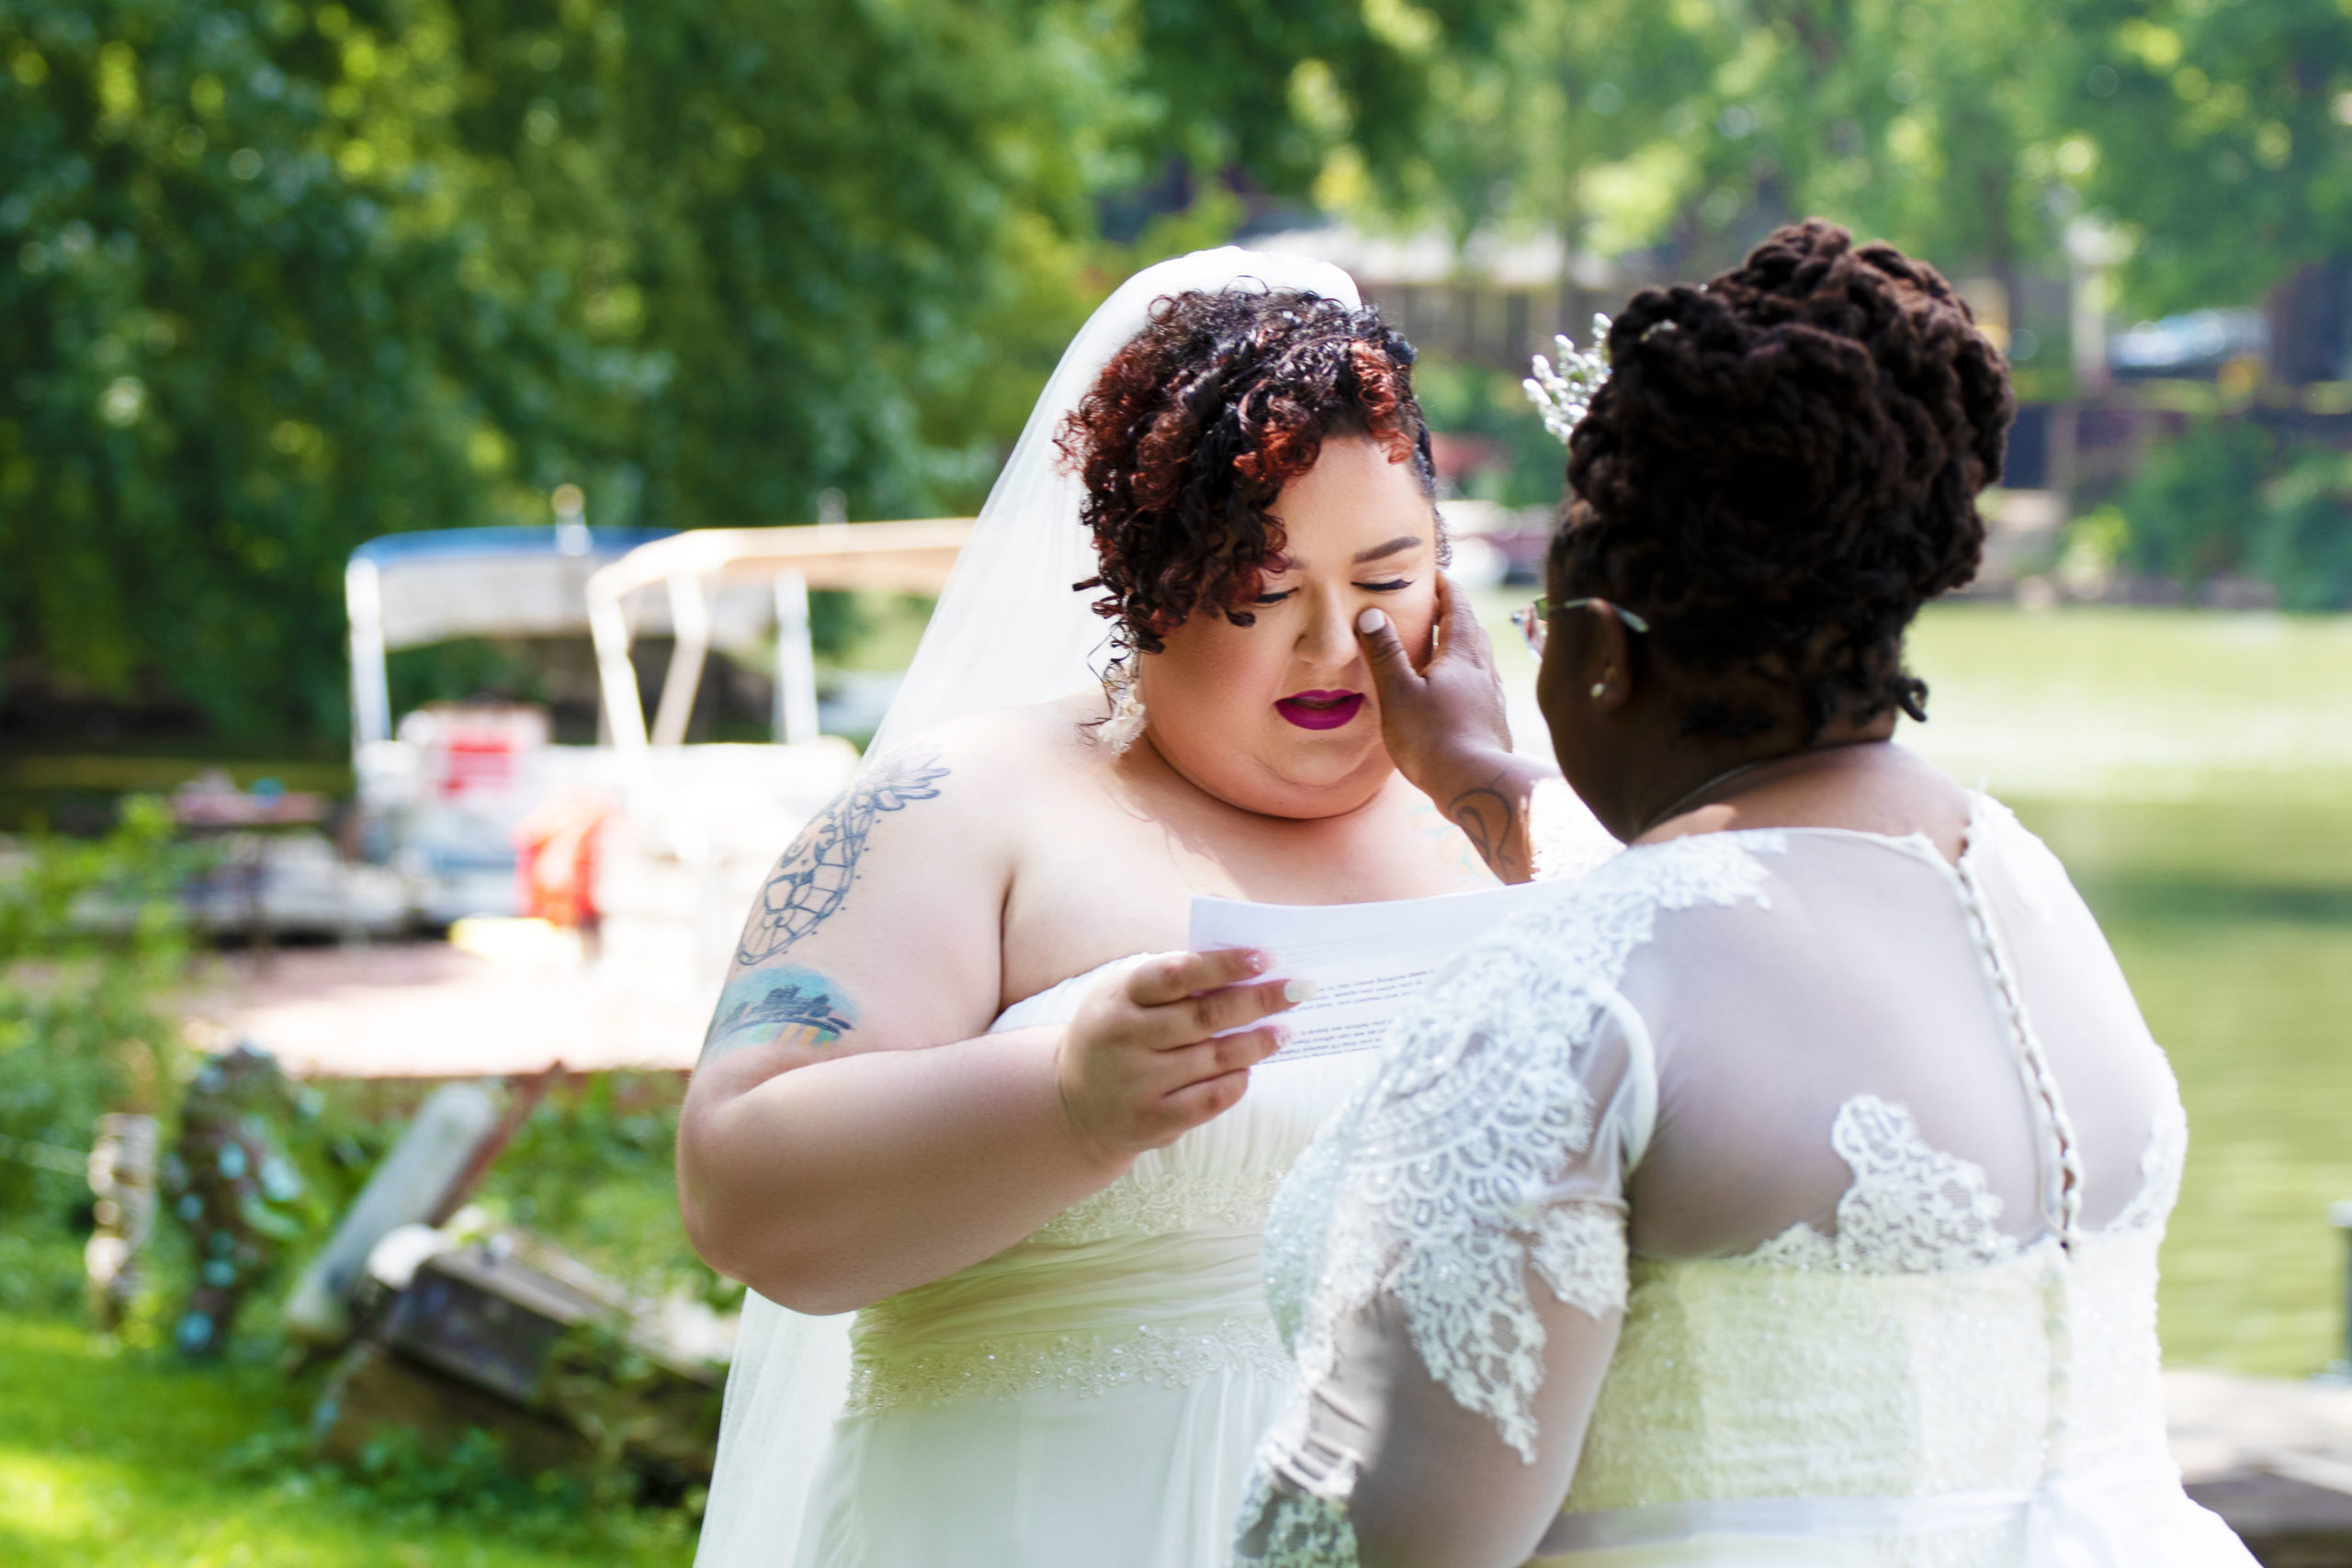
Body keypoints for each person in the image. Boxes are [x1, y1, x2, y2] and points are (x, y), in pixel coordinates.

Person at [1233, 221, 2259, 1567]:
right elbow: (1731, 924)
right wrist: (1485, 784)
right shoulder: (2018, 884)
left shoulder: (1571, 995)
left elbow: (1367, 1543)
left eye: (1543, 630)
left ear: (1602, 655)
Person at [680, 249, 1508, 1568]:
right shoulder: (966, 803)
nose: (1332, 644)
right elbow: (739, 1187)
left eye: (1387, 580)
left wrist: (1499, 806)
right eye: (1263, 591)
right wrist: (1066, 1101)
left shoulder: (1525, 819)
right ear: (1144, 585)